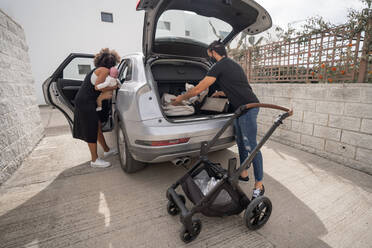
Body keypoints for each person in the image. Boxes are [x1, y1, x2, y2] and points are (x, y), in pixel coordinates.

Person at [171, 40, 264, 199]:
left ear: (213, 52)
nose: (210, 58)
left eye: (210, 55)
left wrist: (181, 98)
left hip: (249, 108)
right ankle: (243, 172)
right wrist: (220, 94)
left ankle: (259, 185)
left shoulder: (219, 65)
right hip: (240, 109)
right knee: (241, 142)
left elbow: (200, 88)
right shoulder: (232, 65)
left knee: (252, 146)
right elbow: (237, 86)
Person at [73, 48, 120, 168]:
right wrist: (113, 88)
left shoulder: (97, 69)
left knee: (97, 125)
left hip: (86, 100)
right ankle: (94, 160)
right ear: (112, 63)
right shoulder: (104, 71)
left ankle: (106, 149)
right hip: (85, 102)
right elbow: (98, 88)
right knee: (91, 129)